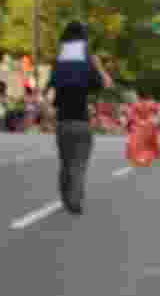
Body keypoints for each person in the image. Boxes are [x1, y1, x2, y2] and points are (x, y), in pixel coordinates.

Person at [43, 21, 114, 215]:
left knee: (65, 163)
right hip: (82, 122)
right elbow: (107, 84)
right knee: (79, 163)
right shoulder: (87, 62)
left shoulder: (59, 62)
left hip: (62, 123)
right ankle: (74, 199)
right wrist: (98, 66)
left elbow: (47, 89)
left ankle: (66, 197)